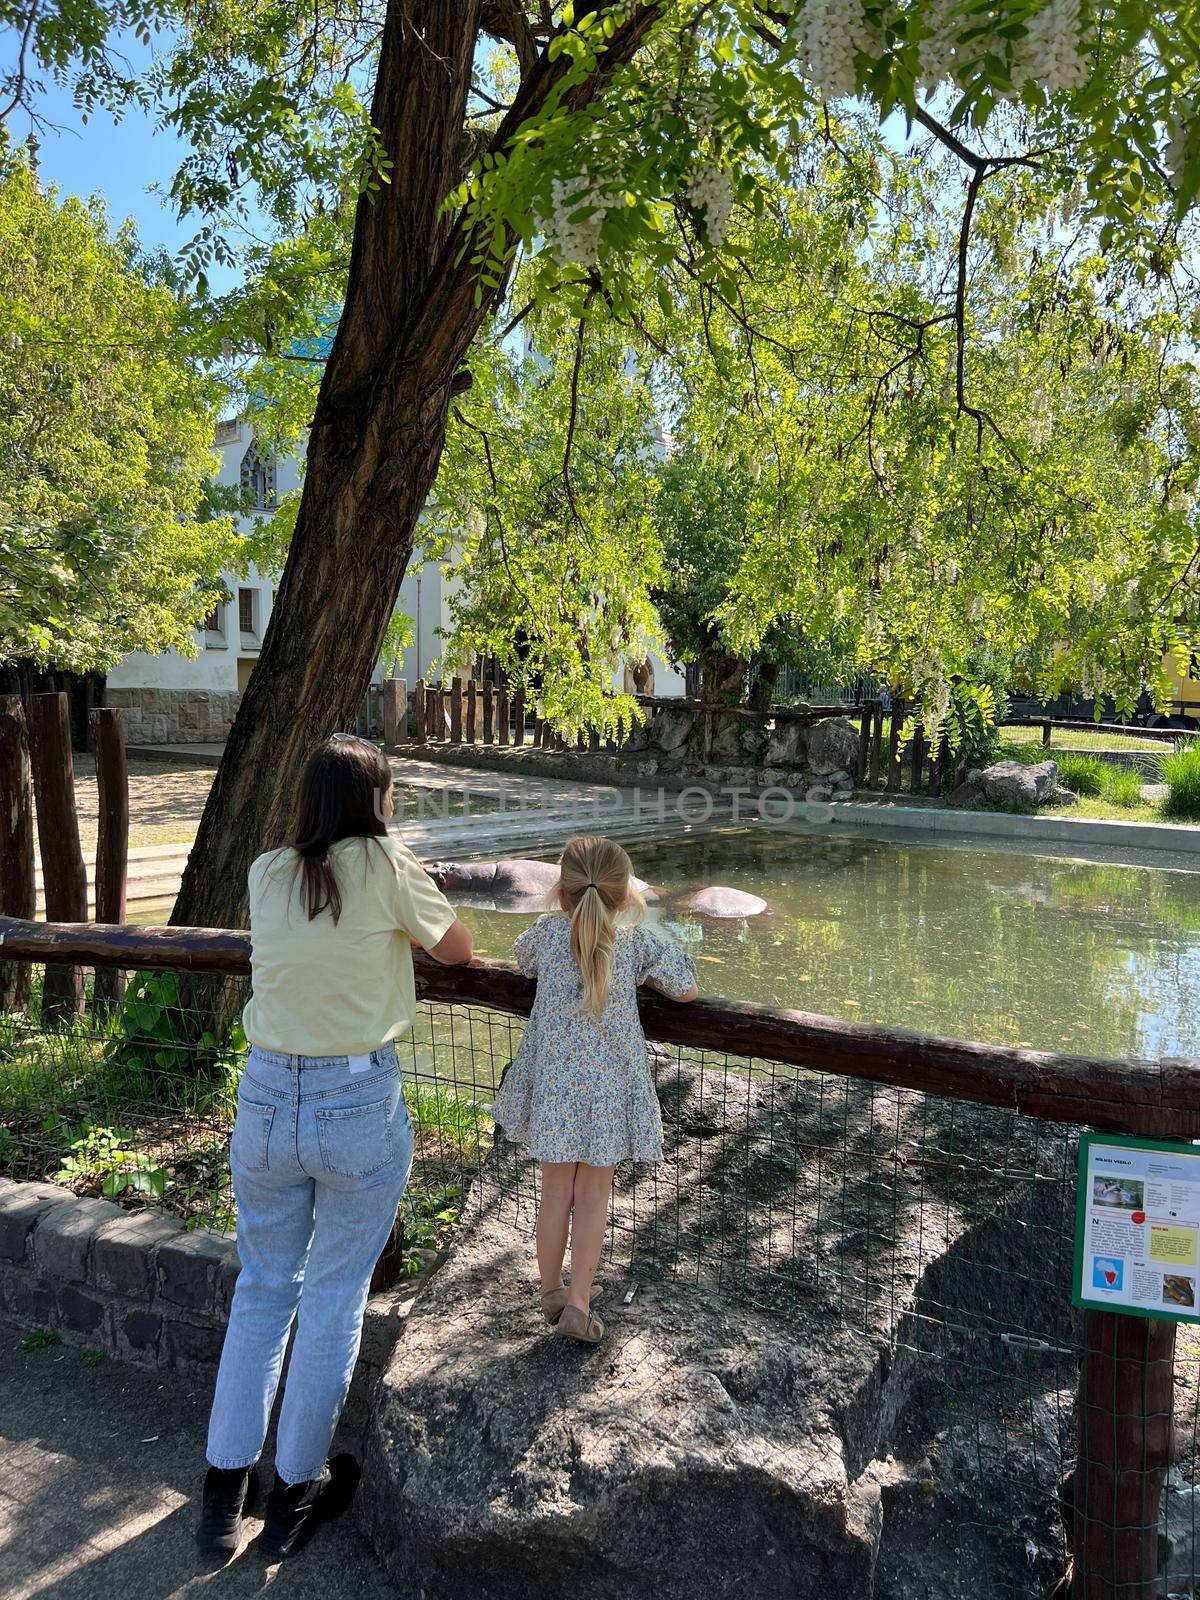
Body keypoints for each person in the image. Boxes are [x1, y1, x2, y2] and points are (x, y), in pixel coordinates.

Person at [198, 733, 471, 1562]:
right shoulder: (388, 868)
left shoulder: (265, 871)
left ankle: (221, 1497)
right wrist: (401, 860)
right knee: (333, 1295)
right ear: (375, 801)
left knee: (263, 1290)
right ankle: (295, 1494)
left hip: (267, 1096)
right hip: (354, 1100)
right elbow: (456, 950)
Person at [491, 834, 697, 1344]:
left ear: (561, 890)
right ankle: (581, 1301)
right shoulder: (636, 943)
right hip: (608, 1093)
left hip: (555, 1089)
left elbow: (524, 962)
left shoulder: (542, 934)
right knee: (595, 1195)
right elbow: (687, 988)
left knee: (554, 1192)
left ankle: (551, 1291)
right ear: (625, 894)